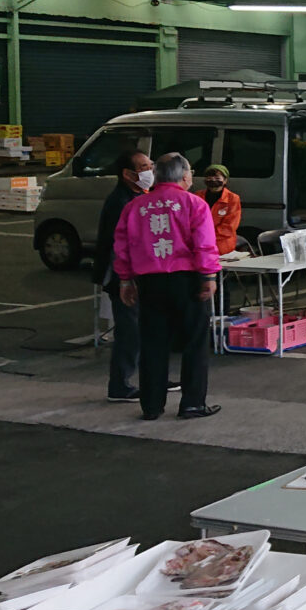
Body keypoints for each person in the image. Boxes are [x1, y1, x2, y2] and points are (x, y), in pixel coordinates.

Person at [113, 152, 221, 421]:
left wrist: (125, 280)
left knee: (153, 343)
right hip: (188, 281)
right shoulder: (194, 204)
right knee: (195, 343)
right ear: (184, 176)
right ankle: (192, 404)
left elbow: (122, 247)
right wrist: (209, 276)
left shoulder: (135, 207)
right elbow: (204, 244)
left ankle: (151, 405)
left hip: (149, 282)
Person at [97, 150, 153, 403]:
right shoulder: (121, 201)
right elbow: (120, 246)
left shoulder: (139, 196)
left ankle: (151, 377)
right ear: (128, 174)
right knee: (129, 331)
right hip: (123, 277)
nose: (149, 170)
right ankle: (120, 385)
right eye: (144, 166)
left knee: (145, 329)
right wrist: (126, 280)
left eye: (150, 165)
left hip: (139, 275)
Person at [200, 164, 243, 255]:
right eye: (209, 177)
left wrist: (207, 236)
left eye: (217, 177)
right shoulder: (197, 196)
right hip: (199, 243)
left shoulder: (233, 198)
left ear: (225, 180)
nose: (212, 180)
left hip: (222, 246)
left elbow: (229, 227)